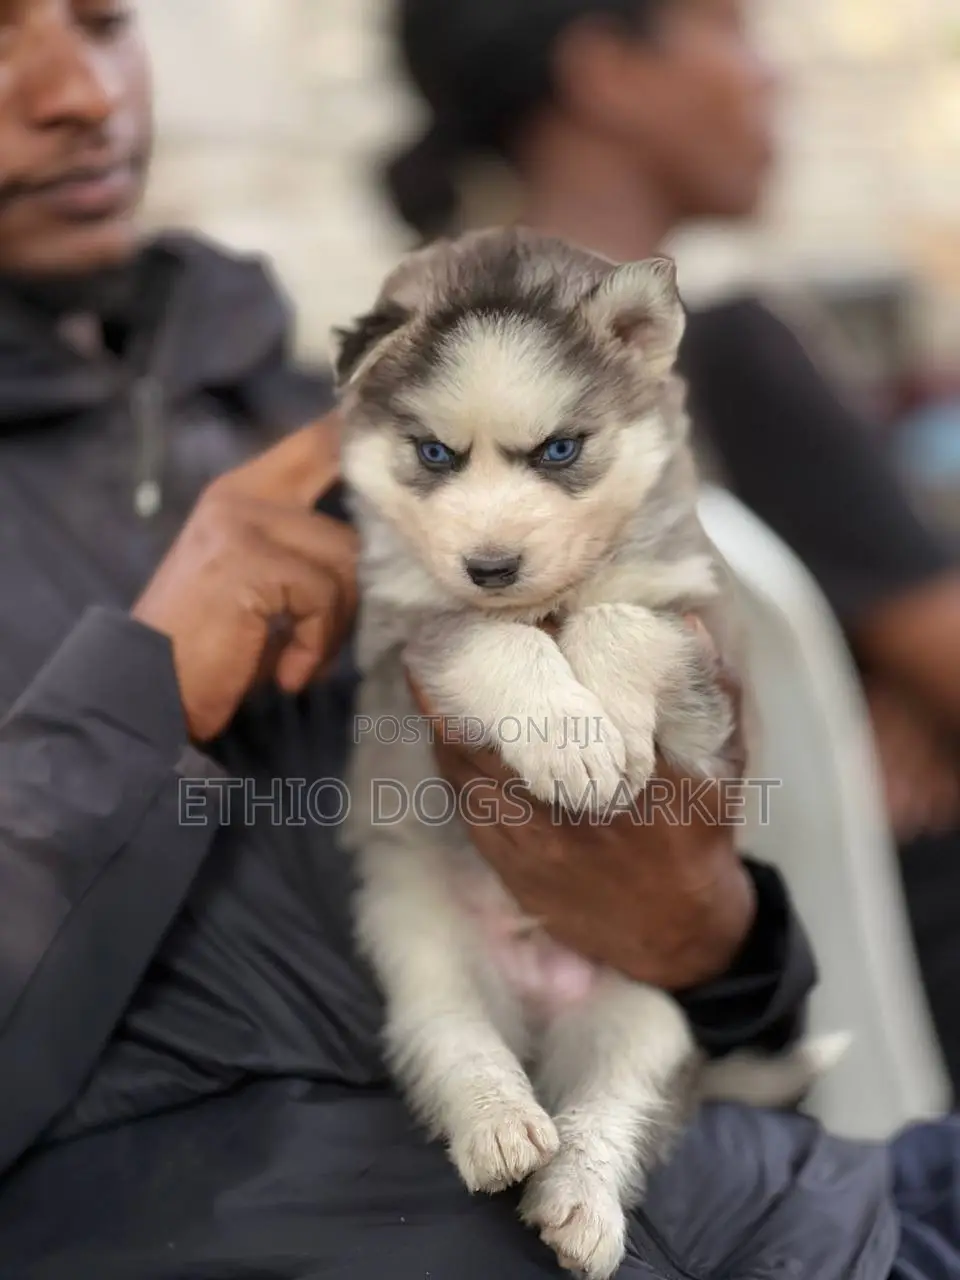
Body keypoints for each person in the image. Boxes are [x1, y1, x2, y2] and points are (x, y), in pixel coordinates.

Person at [0, 4, 950, 1279]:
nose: (79, 90)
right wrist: (142, 685)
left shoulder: (292, 405)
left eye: (106, 19)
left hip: (757, 1193)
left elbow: (697, 914)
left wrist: (715, 930)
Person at [386, 0, 960, 1095]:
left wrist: (864, 681)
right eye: (735, 28)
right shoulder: (719, 361)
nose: (773, 76)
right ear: (609, 71)